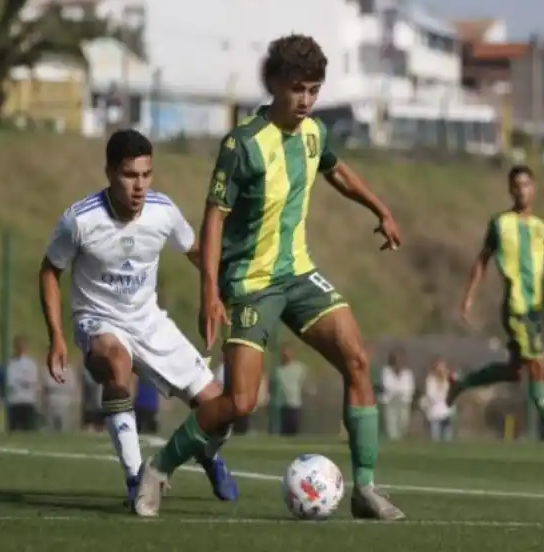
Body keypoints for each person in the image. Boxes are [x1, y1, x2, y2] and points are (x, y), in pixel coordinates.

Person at [135, 34, 405, 520]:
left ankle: (364, 488)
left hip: (299, 274)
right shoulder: (242, 144)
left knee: (357, 360)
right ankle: (157, 469)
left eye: (314, 90)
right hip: (250, 283)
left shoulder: (313, 133)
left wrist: (380, 208)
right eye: (298, 88)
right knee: (239, 402)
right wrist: (210, 293)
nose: (305, 100)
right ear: (277, 84)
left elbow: (337, 171)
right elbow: (213, 217)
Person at [39, 128, 238, 508]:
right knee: (118, 365)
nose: (139, 186)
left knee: (220, 408)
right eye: (130, 175)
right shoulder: (80, 220)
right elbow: (49, 271)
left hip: (149, 320)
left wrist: (215, 293)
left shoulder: (163, 211)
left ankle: (209, 457)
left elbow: (196, 250)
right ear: (110, 173)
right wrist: (57, 336)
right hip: (98, 320)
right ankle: (136, 479)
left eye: (146, 175)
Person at [448, 165, 544, 453]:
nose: (521, 190)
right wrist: (468, 297)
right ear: (510, 190)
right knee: (537, 367)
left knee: (515, 371)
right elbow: (482, 260)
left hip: (535, 309)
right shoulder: (500, 224)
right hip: (515, 308)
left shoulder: (543, 228)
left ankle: (463, 381)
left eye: (526, 184)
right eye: (516, 185)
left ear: (534, 188)